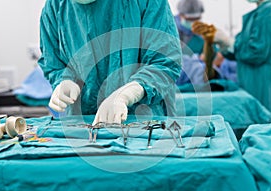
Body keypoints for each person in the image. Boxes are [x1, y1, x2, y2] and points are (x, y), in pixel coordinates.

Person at [38, 0, 182, 124]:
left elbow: (165, 62)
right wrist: (65, 81)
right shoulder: (55, 7)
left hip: (143, 124)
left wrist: (127, 94)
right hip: (82, 127)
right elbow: (53, 61)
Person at [233, 0, 271, 117]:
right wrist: (226, 45)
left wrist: (231, 44)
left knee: (265, 125)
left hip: (266, 83)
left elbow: (257, 52)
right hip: (255, 81)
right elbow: (241, 47)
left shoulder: (270, 11)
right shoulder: (259, 13)